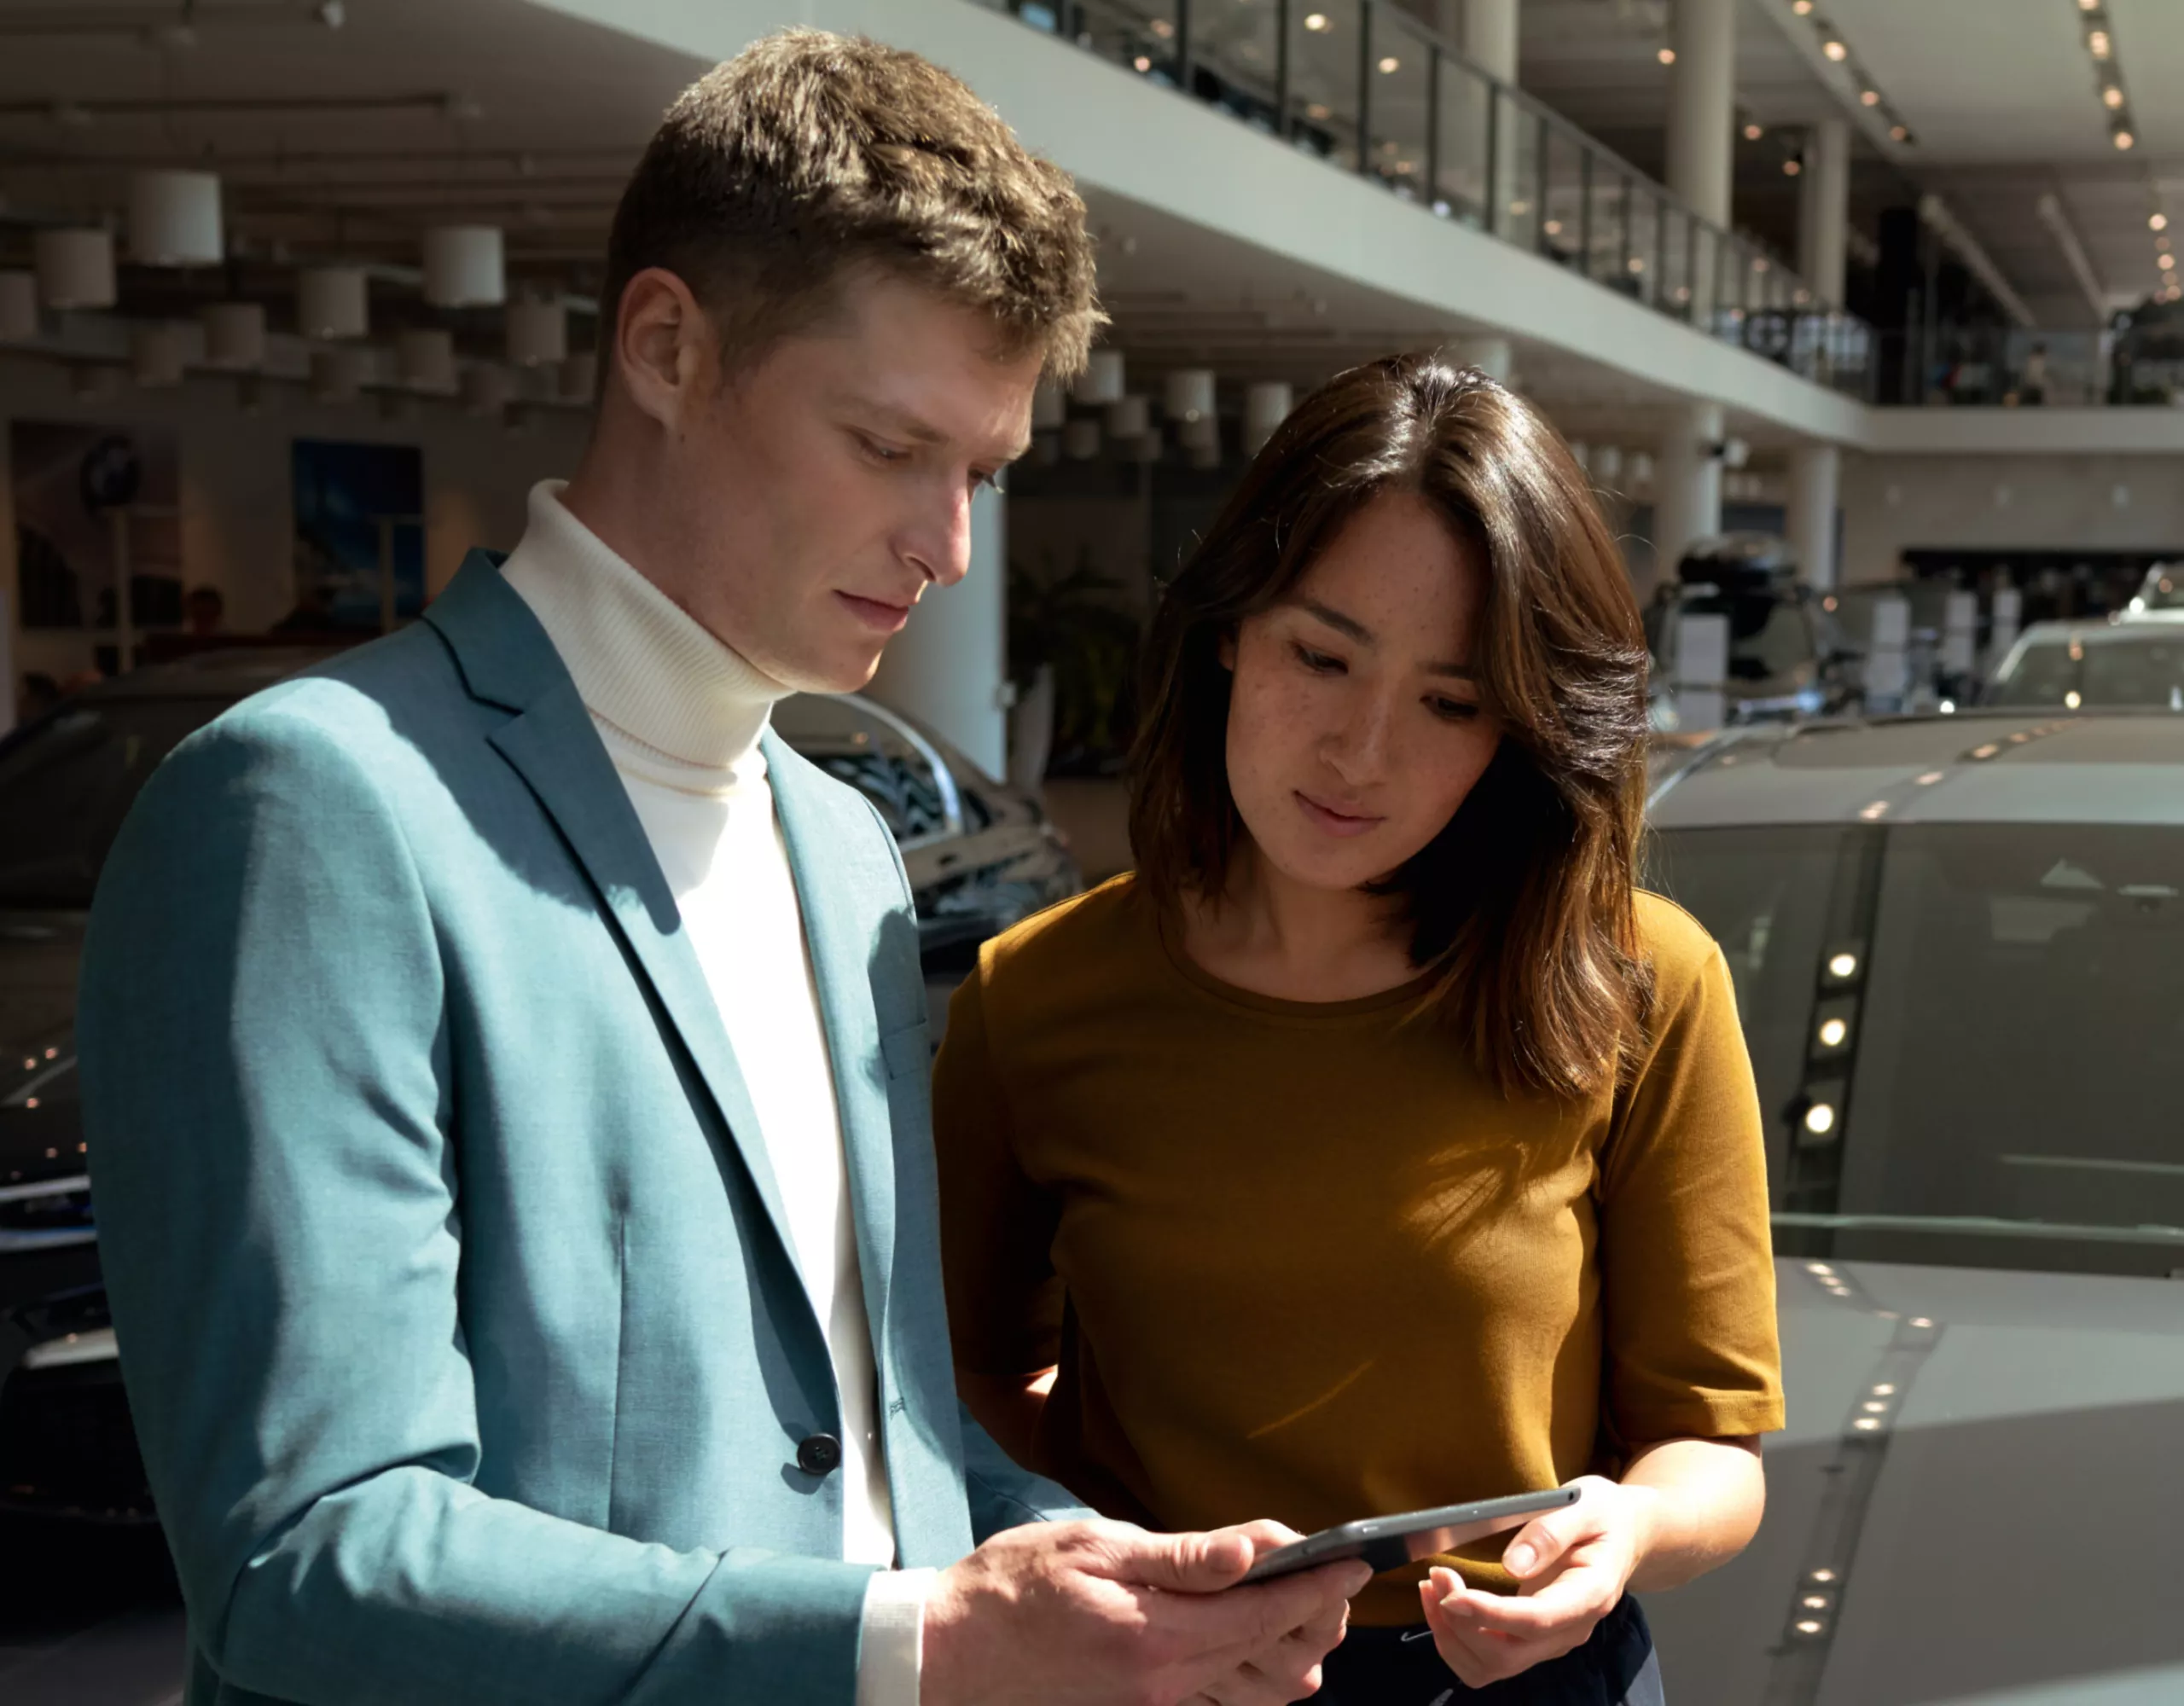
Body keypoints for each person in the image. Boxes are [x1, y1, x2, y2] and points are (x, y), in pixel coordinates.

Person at [78, 32, 1365, 1706]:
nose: (948, 544)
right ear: (668, 348)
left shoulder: (842, 851)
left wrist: (1071, 1573)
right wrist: (918, 1648)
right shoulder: (318, 809)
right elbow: (309, 1552)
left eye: (978, 472)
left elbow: (865, 1439)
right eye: (888, 446)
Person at [934, 355, 1784, 1704]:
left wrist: (1624, 1532)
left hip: (1529, 1679)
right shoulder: (1036, 996)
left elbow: (1712, 1454)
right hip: (1155, 1676)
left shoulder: (1640, 982)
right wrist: (1093, 1548)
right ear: (1228, 630)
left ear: (1519, 727)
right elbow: (965, 1378)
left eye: (1450, 702)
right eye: (1320, 657)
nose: (1359, 750)